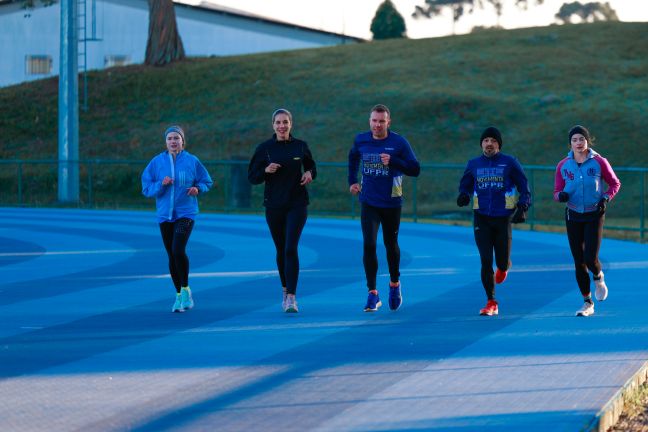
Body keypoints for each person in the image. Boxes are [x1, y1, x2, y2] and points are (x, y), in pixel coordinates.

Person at [348, 104, 420, 312]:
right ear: (369, 121)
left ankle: (395, 284)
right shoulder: (361, 139)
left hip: (391, 203)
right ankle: (372, 293)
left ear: (388, 122)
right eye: (374, 121)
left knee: (391, 244)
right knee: (369, 244)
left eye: (381, 121)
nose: (377, 125)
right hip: (369, 201)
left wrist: (394, 161)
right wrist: (352, 181)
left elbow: (415, 169)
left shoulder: (398, 142)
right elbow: (353, 158)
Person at [248, 108, 317, 313]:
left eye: (285, 122)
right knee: (281, 250)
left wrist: (310, 174)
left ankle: (292, 298)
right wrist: (265, 170)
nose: (282, 126)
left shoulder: (300, 146)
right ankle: (285, 290)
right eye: (278, 122)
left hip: (297, 204)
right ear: (273, 125)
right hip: (274, 206)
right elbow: (252, 177)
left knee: (290, 248)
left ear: (291, 124)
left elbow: (313, 167)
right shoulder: (265, 149)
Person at [457, 126, 531, 316]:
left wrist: (523, 207)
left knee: (502, 262)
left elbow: (524, 187)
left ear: (499, 144)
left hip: (502, 217)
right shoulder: (473, 164)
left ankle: (504, 267)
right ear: (481, 144)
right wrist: (463, 195)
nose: (489, 144)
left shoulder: (509, 162)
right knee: (485, 260)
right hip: (481, 217)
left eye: (493, 141)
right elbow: (465, 184)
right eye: (486, 141)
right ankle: (491, 301)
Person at [141, 125, 213, 313]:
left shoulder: (192, 161)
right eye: (170, 138)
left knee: (178, 249)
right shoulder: (157, 162)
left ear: (183, 141)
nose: (173, 141)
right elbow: (146, 188)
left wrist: (198, 189)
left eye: (176, 138)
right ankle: (179, 295)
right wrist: (160, 184)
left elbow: (206, 181)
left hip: (186, 214)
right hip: (165, 215)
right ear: (166, 142)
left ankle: (186, 289)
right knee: (171, 255)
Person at [553, 125, 621, 317]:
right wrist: (562, 196)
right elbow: (556, 193)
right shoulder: (563, 165)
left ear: (587, 141)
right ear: (570, 143)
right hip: (573, 215)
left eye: (581, 139)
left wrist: (606, 197)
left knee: (590, 258)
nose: (578, 143)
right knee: (578, 261)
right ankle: (587, 302)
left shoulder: (599, 162)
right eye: (574, 140)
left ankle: (599, 277)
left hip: (594, 213)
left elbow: (615, 183)